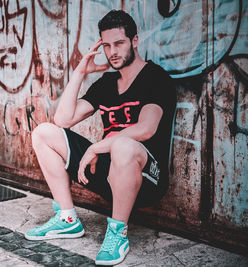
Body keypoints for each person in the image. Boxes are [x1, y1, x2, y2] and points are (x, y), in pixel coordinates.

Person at [25, 9, 176, 266]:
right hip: (106, 173)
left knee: (125, 146)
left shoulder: (156, 78)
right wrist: (80, 72)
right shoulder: (107, 83)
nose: (112, 51)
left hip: (146, 177)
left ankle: (118, 233)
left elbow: (146, 128)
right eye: (107, 45)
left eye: (119, 43)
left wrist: (97, 147)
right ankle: (67, 219)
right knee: (43, 133)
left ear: (134, 41)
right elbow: (63, 119)